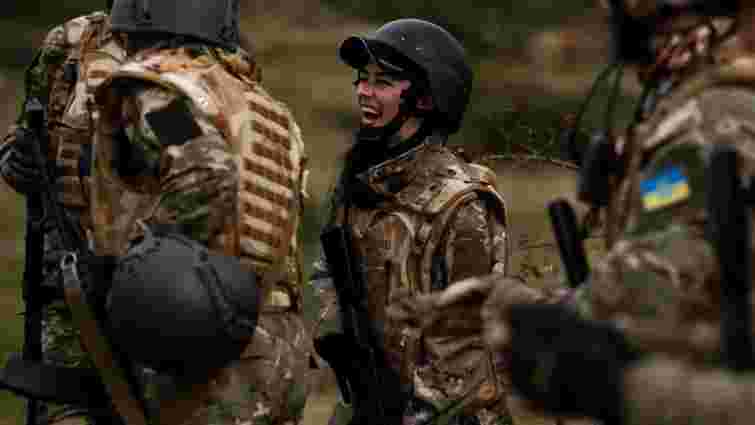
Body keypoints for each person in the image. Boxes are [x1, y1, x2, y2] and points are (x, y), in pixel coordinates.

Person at [388, 0, 755, 423]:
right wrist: (507, 306)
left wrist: (529, 325)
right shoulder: (705, 100)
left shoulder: (713, 117)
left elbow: (661, 294)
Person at [82, 0, 313, 424]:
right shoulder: (265, 107)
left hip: (204, 343)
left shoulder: (164, 88)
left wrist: (139, 263)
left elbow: (203, 172)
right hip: (279, 343)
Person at [310, 18, 513, 425]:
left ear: (423, 99)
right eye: (362, 79)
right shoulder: (361, 187)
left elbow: (466, 349)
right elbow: (327, 279)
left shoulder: (461, 205)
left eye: (382, 82)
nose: (364, 91)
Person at [0, 2, 127, 424]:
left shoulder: (207, 50)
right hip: (70, 291)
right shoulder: (72, 42)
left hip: (167, 295)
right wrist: (19, 160)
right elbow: (26, 136)